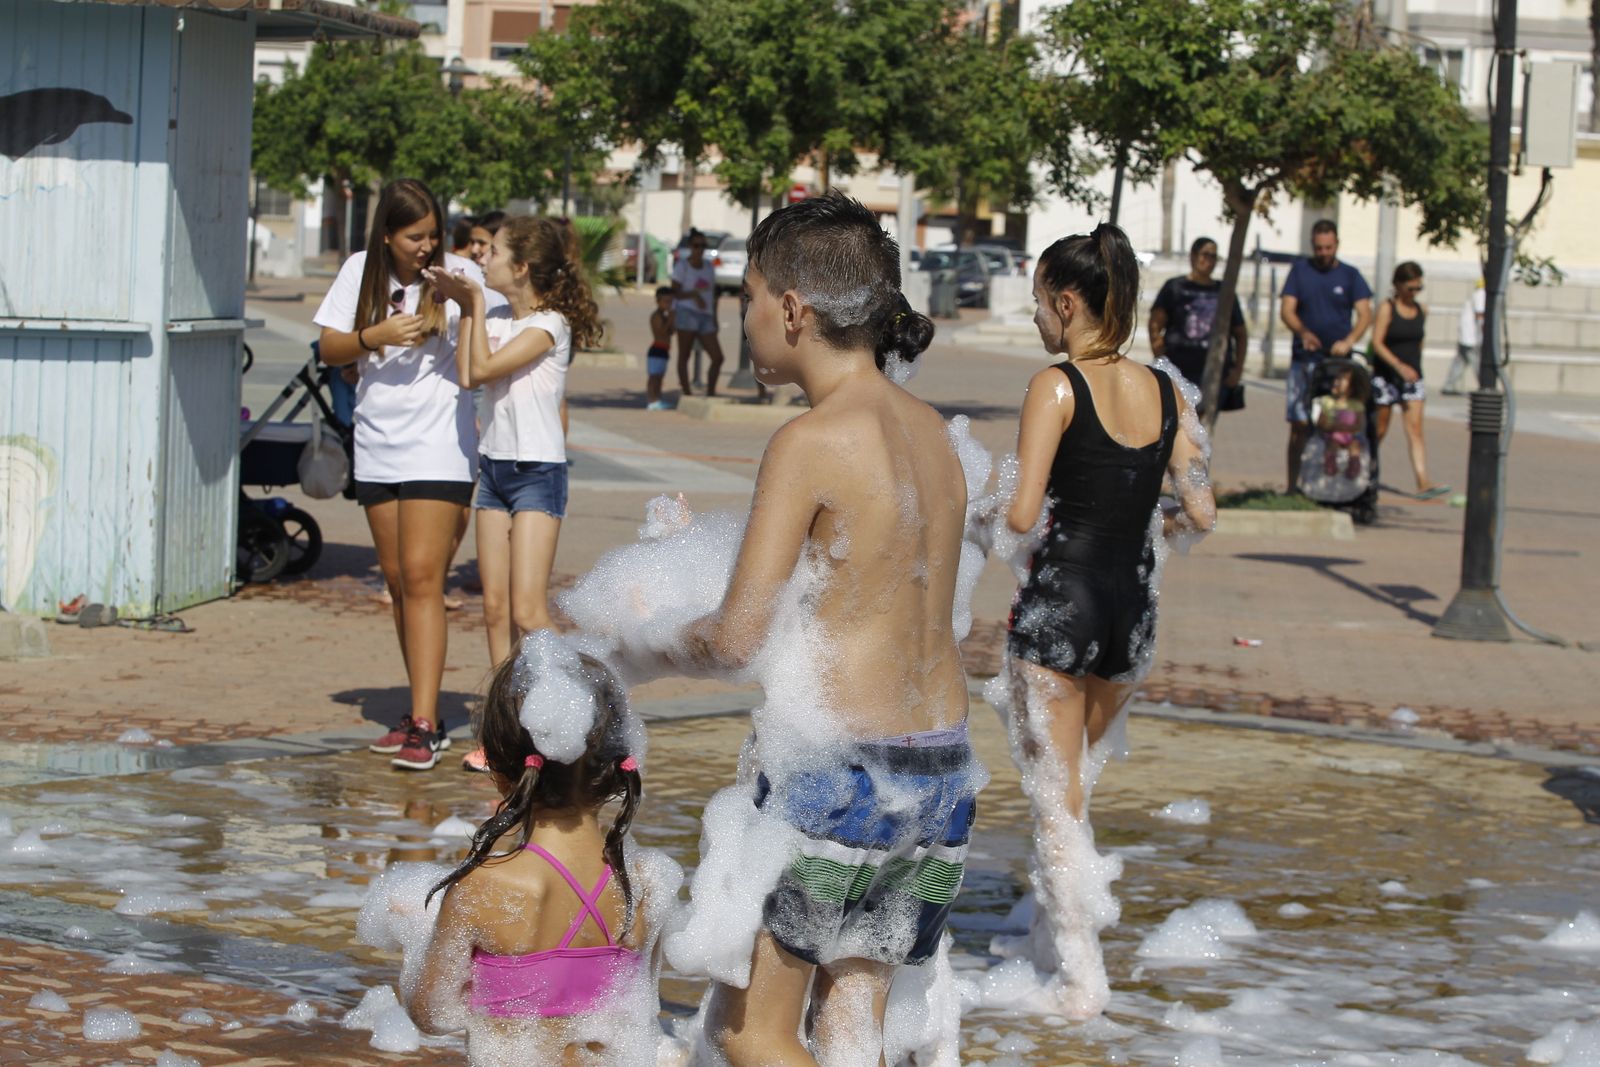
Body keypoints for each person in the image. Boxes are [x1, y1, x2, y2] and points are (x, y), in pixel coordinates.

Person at [667, 194, 979, 1066]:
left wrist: (647, 633)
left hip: (839, 769)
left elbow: (735, 637)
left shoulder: (808, 440)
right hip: (943, 768)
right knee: (852, 1021)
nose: (749, 317)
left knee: (753, 1031)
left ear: (793, 311)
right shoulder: (938, 438)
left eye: (750, 298)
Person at [1001, 223, 1215, 1018]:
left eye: (1037, 305)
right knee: (1076, 788)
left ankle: (1081, 980)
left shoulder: (1054, 387)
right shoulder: (1166, 391)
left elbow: (1023, 515)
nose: (1035, 321)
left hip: (1060, 606)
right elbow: (1201, 510)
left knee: (1054, 798)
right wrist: (1145, 526)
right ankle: (1047, 944)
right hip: (1131, 610)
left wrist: (979, 508)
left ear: (1066, 303)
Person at [405, 645, 662, 1064]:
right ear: (617, 766)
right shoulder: (646, 881)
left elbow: (432, 1014)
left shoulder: (484, 887)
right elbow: (646, 1003)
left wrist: (415, 932)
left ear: (501, 770)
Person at [314, 178, 478, 771]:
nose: (426, 246)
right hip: (377, 445)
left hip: (439, 445)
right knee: (398, 583)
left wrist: (464, 298)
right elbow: (329, 348)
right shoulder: (361, 270)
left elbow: (484, 343)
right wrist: (372, 337)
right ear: (387, 234)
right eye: (415, 236)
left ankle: (428, 725)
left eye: (433, 234)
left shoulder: (456, 274)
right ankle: (415, 710)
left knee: (422, 575)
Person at [428, 218, 599, 670]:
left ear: (521, 268)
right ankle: (505, 723)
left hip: (536, 474)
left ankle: (580, 699)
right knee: (494, 610)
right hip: (494, 471)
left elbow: (482, 369)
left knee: (528, 611)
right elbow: (468, 376)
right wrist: (470, 309)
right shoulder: (496, 316)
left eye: (496, 252)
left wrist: (474, 302)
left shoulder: (549, 326)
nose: (483, 257)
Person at [1279, 220, 1373, 491]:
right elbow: (1287, 310)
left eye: (1328, 247)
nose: (1323, 252)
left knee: (1338, 425)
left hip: (1338, 366)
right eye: (1318, 248)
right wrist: (1303, 332)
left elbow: (1365, 313)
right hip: (1305, 361)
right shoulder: (1300, 272)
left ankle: (1332, 484)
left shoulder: (1350, 275)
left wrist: (1349, 341)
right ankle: (1292, 485)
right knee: (1299, 423)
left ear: (1337, 245)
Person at [1370, 262, 1449, 499]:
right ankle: (1366, 471)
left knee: (1415, 429)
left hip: (1412, 378)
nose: (1414, 293)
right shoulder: (1387, 308)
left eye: (1418, 288)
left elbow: (1419, 342)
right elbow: (1376, 342)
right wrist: (1398, 365)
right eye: (1410, 288)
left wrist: (1412, 367)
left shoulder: (1421, 310)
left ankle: (1423, 480)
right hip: (1387, 376)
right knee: (1380, 427)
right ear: (1398, 286)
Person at [1148, 236, 1247, 408]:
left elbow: (1240, 333)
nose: (1208, 260)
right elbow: (1155, 323)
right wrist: (1161, 359)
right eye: (1205, 254)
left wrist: (1237, 370)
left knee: (1202, 425)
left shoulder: (1224, 291)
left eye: (1213, 256)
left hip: (1213, 372)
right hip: (1178, 368)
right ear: (1193, 256)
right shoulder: (1175, 287)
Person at [670, 229, 725, 397]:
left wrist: (715, 317)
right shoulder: (682, 266)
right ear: (690, 246)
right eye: (696, 245)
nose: (699, 249)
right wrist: (693, 295)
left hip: (706, 315)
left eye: (703, 246)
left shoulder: (708, 266)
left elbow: (712, 294)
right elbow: (675, 292)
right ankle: (686, 392)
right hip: (686, 312)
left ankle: (710, 392)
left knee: (717, 357)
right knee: (685, 354)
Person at [1314, 365, 1368, 481]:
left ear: (1352, 387)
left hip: (1350, 434)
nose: (1337, 382)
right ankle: (1330, 464)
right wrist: (1329, 426)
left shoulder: (1356, 404)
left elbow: (1359, 424)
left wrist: (1348, 428)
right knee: (1332, 445)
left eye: (1342, 379)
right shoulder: (1327, 401)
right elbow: (1320, 422)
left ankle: (1353, 466)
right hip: (1332, 434)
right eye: (1336, 379)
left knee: (1355, 446)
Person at [1442, 277, 1486, 396]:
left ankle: (1449, 385)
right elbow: (1480, 315)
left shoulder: (1475, 294)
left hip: (1466, 335)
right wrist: (1484, 334)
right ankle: (1485, 385)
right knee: (1476, 361)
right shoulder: (1481, 294)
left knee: (1460, 361)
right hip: (1471, 337)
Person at [645, 286, 674, 410]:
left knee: (660, 377)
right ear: (658, 301)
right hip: (656, 350)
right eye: (666, 302)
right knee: (654, 377)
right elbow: (661, 332)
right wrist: (670, 319)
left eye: (670, 302)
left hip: (664, 350)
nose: (669, 305)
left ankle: (657, 399)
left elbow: (670, 332)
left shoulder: (665, 315)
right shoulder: (656, 316)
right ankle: (652, 400)